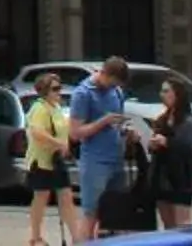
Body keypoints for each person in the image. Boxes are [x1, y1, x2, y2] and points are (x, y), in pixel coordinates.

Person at [64, 57, 129, 245]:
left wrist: (126, 132)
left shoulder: (116, 92)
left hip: (116, 159)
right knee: (91, 212)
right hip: (95, 161)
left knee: (114, 213)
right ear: (105, 74)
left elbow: (117, 123)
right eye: (112, 82)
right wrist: (104, 121)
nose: (113, 86)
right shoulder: (83, 93)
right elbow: (75, 133)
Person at [21, 72, 71, 246]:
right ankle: (35, 237)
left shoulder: (56, 108)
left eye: (60, 88)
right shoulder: (39, 108)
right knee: (41, 197)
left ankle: (76, 236)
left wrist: (65, 145)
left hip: (56, 160)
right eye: (55, 89)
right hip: (41, 160)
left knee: (66, 195)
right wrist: (58, 143)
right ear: (45, 91)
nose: (59, 92)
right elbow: (37, 132)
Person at [146, 76, 192, 231]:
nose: (162, 95)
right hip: (162, 177)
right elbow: (153, 146)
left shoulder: (188, 121)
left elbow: (189, 148)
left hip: (181, 178)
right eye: (161, 91)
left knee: (182, 225)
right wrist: (152, 144)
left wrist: (167, 142)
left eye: (166, 91)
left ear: (177, 94)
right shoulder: (162, 119)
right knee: (167, 225)